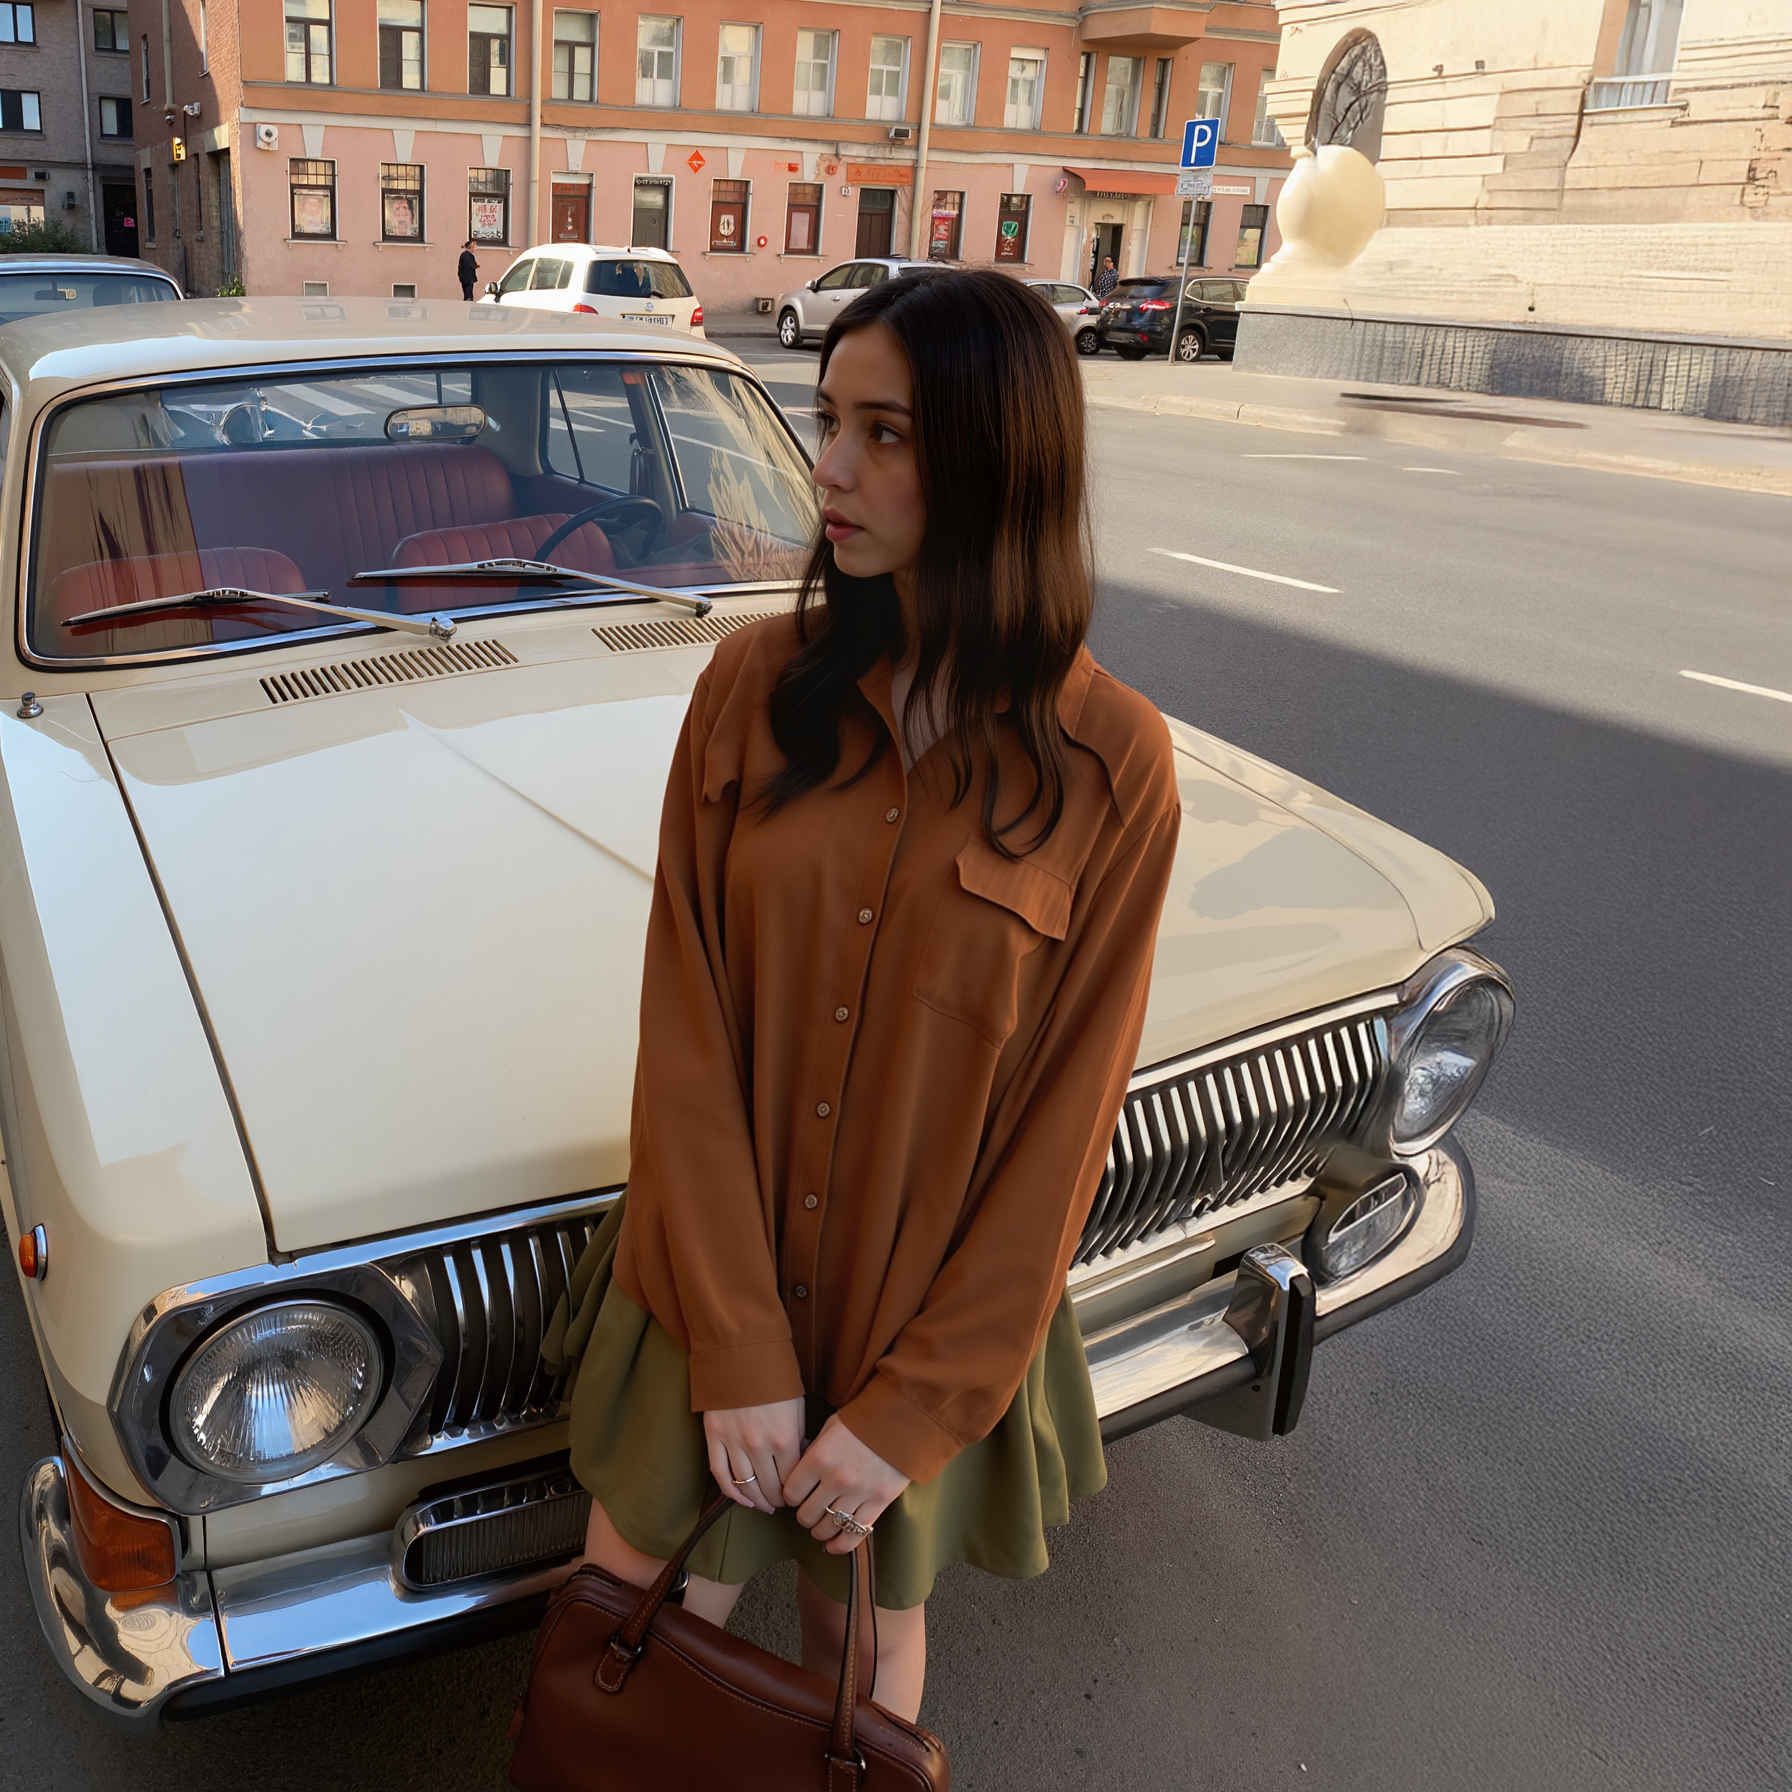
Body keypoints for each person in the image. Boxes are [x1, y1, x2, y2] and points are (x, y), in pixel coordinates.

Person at [548, 268, 1179, 1726]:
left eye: (883, 434)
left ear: (999, 462)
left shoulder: (1112, 766)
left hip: (922, 1318)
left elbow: (1065, 1127)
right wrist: (737, 1349)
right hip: (707, 1280)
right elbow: (686, 1028)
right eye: (828, 421)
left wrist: (913, 1410)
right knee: (621, 1666)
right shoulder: (750, 687)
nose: (827, 468)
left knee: (860, 1691)